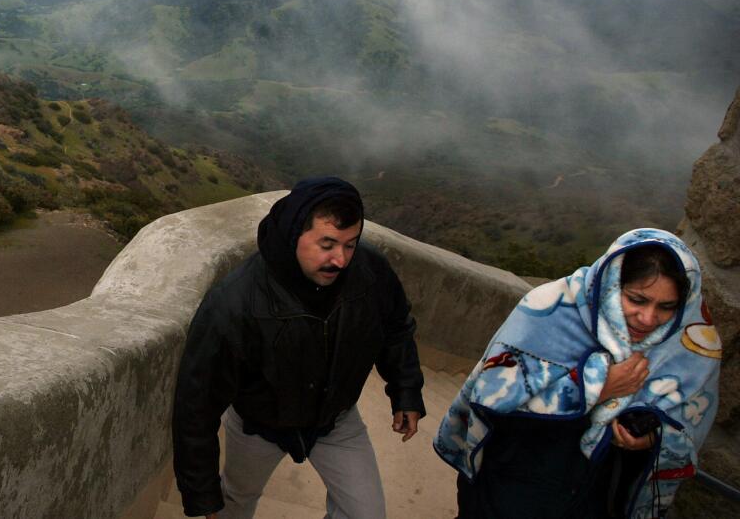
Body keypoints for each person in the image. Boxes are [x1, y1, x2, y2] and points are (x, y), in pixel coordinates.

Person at [172, 177, 425, 518]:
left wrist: (406, 390)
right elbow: (196, 405)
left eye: (350, 245)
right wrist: (203, 495)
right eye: (327, 244)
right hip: (258, 427)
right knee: (235, 504)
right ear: (294, 235)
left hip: (336, 421)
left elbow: (395, 327)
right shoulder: (235, 303)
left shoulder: (370, 272)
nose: (341, 260)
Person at [434, 228, 721, 518]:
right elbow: (492, 402)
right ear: (610, 285)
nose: (648, 318)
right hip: (509, 489)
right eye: (637, 299)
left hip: (594, 499)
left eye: (667, 306)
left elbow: (688, 429)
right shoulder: (550, 310)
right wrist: (597, 387)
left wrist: (652, 440)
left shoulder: (689, 349)